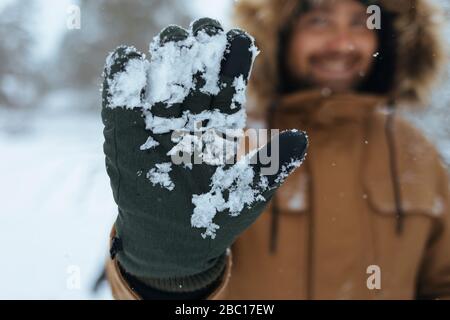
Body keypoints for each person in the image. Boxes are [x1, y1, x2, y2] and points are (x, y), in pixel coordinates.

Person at [103, 0, 450, 299]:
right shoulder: (223, 140)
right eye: (320, 20)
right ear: (282, 33)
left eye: (361, 22)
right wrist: (164, 272)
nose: (342, 42)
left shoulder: (416, 152)